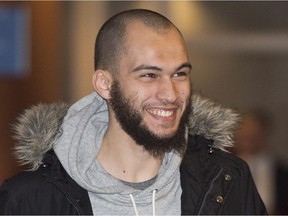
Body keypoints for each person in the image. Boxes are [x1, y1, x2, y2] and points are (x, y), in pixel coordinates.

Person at [0, 9, 266, 215]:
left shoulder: (227, 180)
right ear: (105, 84)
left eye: (180, 74)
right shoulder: (30, 199)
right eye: (149, 75)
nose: (171, 94)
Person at [235, 110, 288, 214]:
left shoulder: (282, 173)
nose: (249, 137)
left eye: (254, 132)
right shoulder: (224, 168)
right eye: (245, 132)